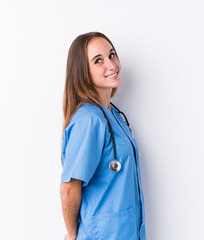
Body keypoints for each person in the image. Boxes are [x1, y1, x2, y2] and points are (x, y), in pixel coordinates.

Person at [60, 32, 146, 240]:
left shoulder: (113, 115)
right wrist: (72, 235)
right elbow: (69, 188)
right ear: (83, 72)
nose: (111, 64)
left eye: (112, 55)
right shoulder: (89, 120)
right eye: (98, 60)